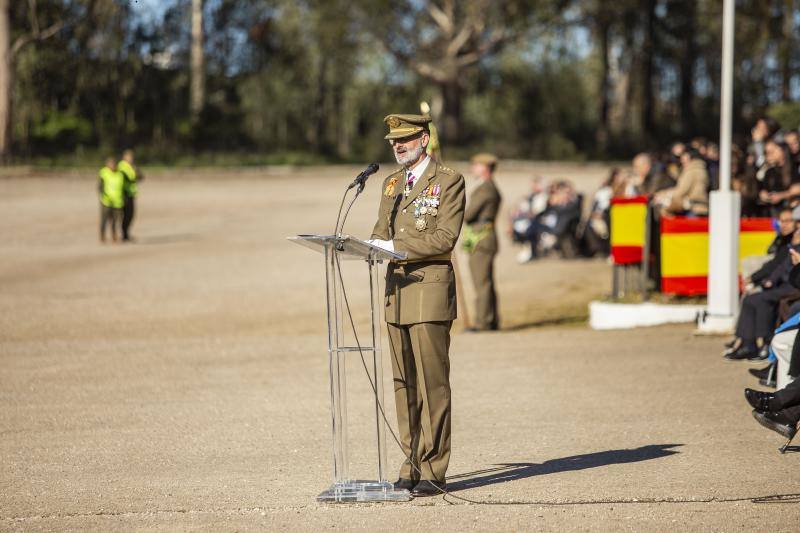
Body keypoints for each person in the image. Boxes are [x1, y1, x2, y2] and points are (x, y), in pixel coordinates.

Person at [369, 113, 465, 497]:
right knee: (402, 383)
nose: (397, 145)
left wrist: (396, 250)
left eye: (405, 139)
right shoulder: (391, 183)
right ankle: (409, 462)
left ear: (424, 139)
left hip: (429, 291)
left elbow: (444, 238)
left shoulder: (449, 180)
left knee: (432, 384)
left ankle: (433, 468)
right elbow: (381, 233)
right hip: (396, 294)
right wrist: (373, 247)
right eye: (393, 140)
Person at [462, 153, 501, 332]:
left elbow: (469, 215)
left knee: (482, 284)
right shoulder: (488, 187)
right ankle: (490, 321)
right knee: (486, 283)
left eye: (476, 165)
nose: (473, 168)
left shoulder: (485, 189)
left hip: (481, 239)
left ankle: (483, 322)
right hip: (485, 237)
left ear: (485, 168)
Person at [654, 148, 709, 216]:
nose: (681, 160)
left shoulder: (691, 170)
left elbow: (681, 191)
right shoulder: (700, 168)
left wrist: (663, 194)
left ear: (690, 157)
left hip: (693, 207)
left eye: (683, 157)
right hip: (700, 206)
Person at [98, 157, 125, 243]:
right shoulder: (103, 173)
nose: (112, 166)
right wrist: (103, 195)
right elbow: (100, 187)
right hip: (106, 201)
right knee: (104, 220)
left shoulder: (120, 174)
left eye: (113, 164)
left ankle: (114, 235)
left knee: (115, 220)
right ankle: (102, 236)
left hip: (117, 201)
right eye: (110, 164)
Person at [117, 149, 142, 242]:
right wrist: (135, 177)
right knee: (124, 215)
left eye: (132, 157)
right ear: (124, 157)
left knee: (130, 215)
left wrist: (136, 174)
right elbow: (127, 178)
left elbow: (140, 176)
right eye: (129, 157)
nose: (131, 159)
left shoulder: (132, 166)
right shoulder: (121, 166)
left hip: (131, 194)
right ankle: (123, 235)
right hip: (123, 194)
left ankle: (126, 234)